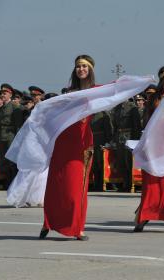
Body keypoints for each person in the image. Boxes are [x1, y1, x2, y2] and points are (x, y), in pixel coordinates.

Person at [39, 54, 96, 240]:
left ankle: (77, 227)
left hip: (81, 145)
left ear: (91, 70)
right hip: (63, 142)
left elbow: (116, 91)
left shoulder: (96, 91)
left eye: (85, 66)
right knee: (57, 183)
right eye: (79, 66)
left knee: (76, 189)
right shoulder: (68, 92)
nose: (81, 69)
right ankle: (48, 222)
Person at [134, 65, 164, 233]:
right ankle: (144, 216)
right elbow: (147, 122)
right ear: (163, 78)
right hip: (156, 146)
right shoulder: (153, 99)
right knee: (152, 183)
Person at [0, 83, 24, 189]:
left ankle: (13, 184)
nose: (2, 95)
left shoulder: (14, 107)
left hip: (11, 136)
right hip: (2, 137)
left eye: (4, 93)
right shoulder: (2, 107)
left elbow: (18, 125)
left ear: (10, 94)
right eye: (1, 93)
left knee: (12, 162)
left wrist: (18, 140)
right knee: (4, 161)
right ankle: (7, 183)